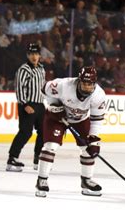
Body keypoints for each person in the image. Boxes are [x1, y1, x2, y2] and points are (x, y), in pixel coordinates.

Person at [35, 66, 106, 197]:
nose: (87, 87)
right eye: (84, 83)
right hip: (57, 118)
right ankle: (42, 179)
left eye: (90, 84)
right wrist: (54, 105)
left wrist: (94, 139)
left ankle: (86, 180)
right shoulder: (64, 85)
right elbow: (44, 89)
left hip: (81, 120)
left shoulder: (99, 96)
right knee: (51, 146)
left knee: (87, 148)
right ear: (78, 81)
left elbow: (97, 119)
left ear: (95, 83)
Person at [6, 43, 46, 172]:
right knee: (26, 132)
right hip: (28, 104)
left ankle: (38, 158)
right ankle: (12, 158)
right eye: (31, 54)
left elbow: (43, 87)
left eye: (36, 54)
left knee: (43, 132)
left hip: (40, 105)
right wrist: (24, 104)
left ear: (40, 55)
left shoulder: (41, 69)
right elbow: (19, 88)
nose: (34, 56)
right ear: (27, 55)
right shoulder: (24, 69)